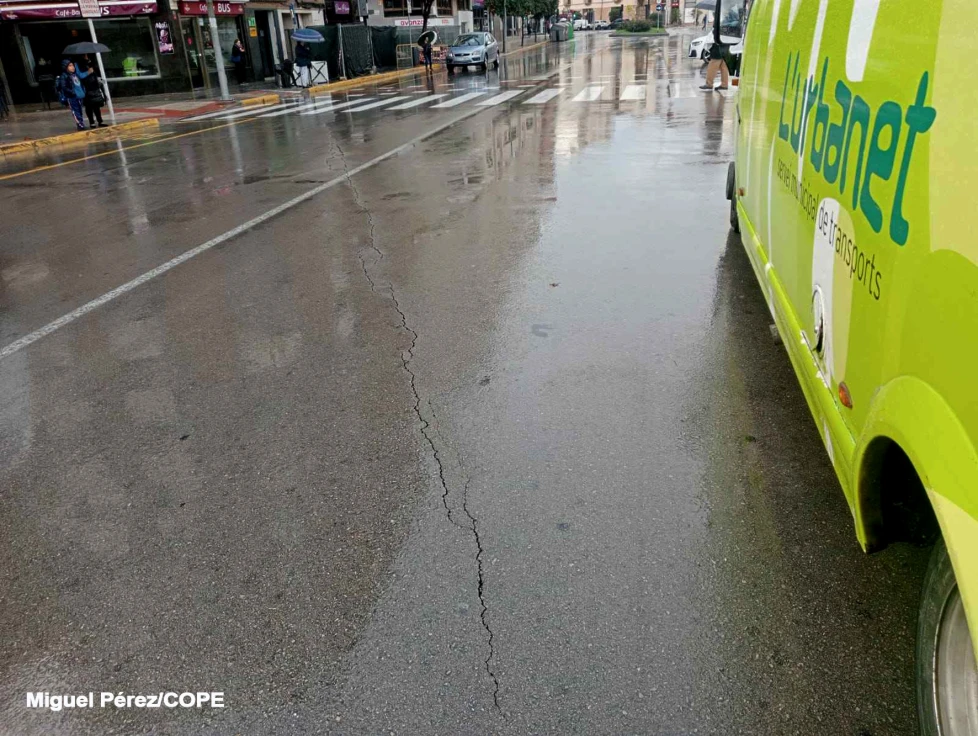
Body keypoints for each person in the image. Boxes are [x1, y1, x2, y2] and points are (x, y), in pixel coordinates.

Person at [700, 17, 730, 91]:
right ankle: (724, 84)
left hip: (717, 47)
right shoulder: (728, 20)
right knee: (724, 67)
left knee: (712, 66)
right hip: (724, 46)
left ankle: (709, 84)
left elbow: (715, 34)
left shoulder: (721, 20)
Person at [56, 60, 86, 131]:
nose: (72, 67)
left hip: (78, 96)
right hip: (71, 97)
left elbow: (79, 84)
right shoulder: (64, 76)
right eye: (70, 66)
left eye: (72, 65)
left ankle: (81, 122)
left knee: (79, 110)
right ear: (65, 67)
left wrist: (83, 91)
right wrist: (72, 92)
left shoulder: (75, 75)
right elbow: (64, 87)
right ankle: (80, 124)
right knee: (75, 111)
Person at [78, 62, 107, 128]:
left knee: (96, 106)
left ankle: (100, 121)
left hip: (94, 88)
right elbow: (80, 76)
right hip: (86, 89)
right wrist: (88, 72)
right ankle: (92, 122)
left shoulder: (91, 64)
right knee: (89, 107)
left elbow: (96, 73)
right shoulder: (80, 66)